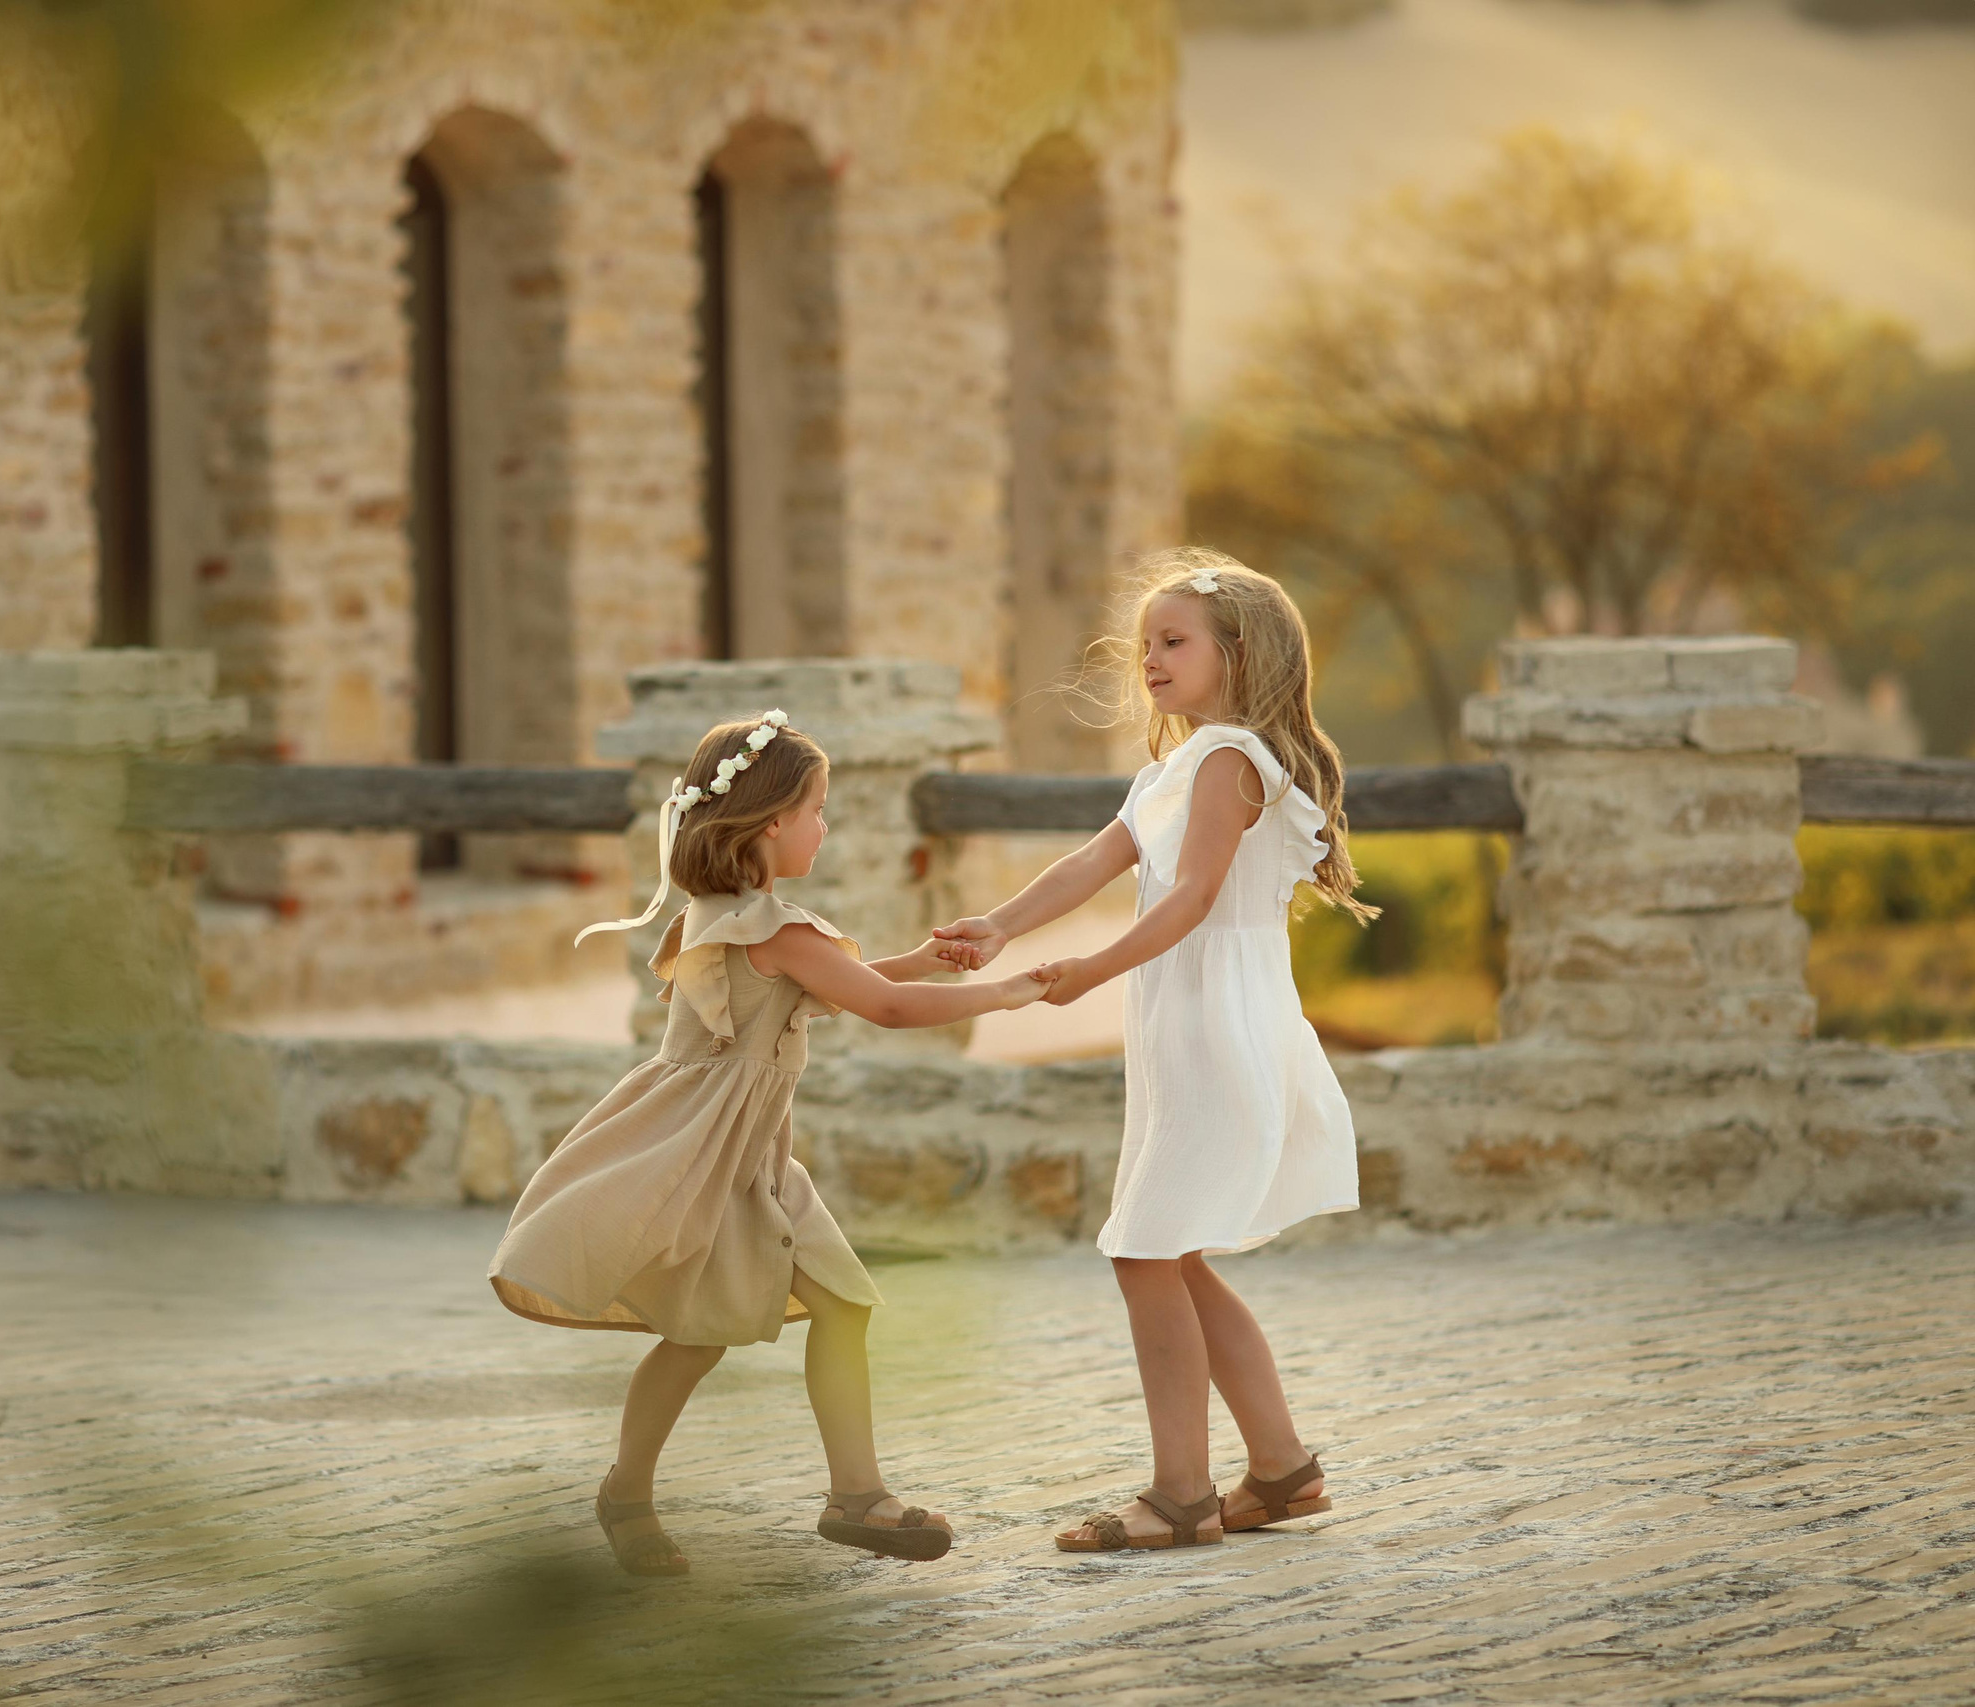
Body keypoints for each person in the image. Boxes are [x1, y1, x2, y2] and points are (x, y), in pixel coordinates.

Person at [489, 709, 1048, 1576]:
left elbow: (859, 980)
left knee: (841, 1305)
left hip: (755, 1160)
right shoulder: (768, 927)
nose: (826, 827)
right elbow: (882, 1007)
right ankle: (626, 1491)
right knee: (697, 1334)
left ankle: (855, 1495)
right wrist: (1005, 994)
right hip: (702, 1155)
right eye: (818, 809)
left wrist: (938, 958)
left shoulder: (747, 917)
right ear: (770, 821)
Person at [933, 547, 1373, 1551]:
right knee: (1166, 1252)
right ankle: (1282, 1470)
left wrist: (1088, 969)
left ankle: (1181, 1493)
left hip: (1219, 1026)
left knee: (1143, 1251)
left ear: (1236, 652)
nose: (1151, 659)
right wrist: (1001, 926)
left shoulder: (1229, 763)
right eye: (1146, 645)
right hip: (1184, 1028)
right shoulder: (1172, 768)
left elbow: (1192, 899)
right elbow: (1094, 859)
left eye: (1173, 642)